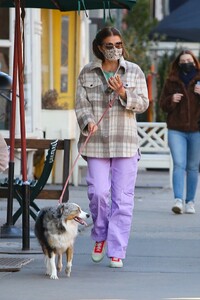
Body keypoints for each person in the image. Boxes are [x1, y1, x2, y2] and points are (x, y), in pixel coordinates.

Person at [75, 27, 149, 268]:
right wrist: (87, 121)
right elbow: (80, 104)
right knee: (97, 192)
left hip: (125, 142)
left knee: (122, 199)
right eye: (109, 45)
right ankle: (100, 235)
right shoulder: (87, 72)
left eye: (118, 44)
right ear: (99, 47)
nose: (115, 49)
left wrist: (122, 92)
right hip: (96, 142)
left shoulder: (134, 71)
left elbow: (143, 104)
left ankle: (116, 249)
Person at [159, 49, 200, 214]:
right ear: (178, 63)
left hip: (197, 129)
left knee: (193, 167)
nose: (186, 63)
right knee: (179, 164)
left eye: (188, 60)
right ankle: (178, 200)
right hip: (176, 130)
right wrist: (171, 100)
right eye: (182, 61)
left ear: (194, 62)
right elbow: (162, 104)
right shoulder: (171, 81)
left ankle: (190, 202)